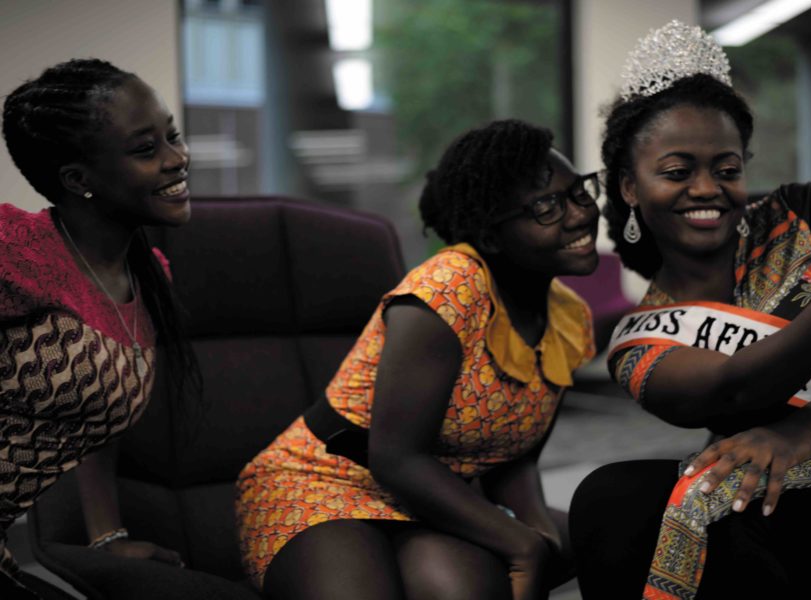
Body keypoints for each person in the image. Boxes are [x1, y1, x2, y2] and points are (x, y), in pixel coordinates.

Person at [568, 21, 811, 600]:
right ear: (629, 187)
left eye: (727, 170)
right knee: (617, 501)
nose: (707, 189)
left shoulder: (799, 212)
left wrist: (809, 425)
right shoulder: (640, 341)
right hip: (789, 480)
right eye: (677, 172)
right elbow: (735, 389)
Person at [236, 119, 599, 600]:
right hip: (325, 483)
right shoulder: (450, 287)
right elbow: (396, 458)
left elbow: (514, 457)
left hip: (437, 498)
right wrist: (519, 545)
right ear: (491, 237)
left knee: (482, 584)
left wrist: (537, 534)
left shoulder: (571, 317)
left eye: (579, 192)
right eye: (547, 206)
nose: (580, 214)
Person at [1, 59, 200, 598]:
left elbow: (91, 414)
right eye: (146, 149)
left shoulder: (148, 276)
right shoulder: (15, 253)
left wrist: (107, 536)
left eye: (172, 137)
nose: (177, 158)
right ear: (78, 180)